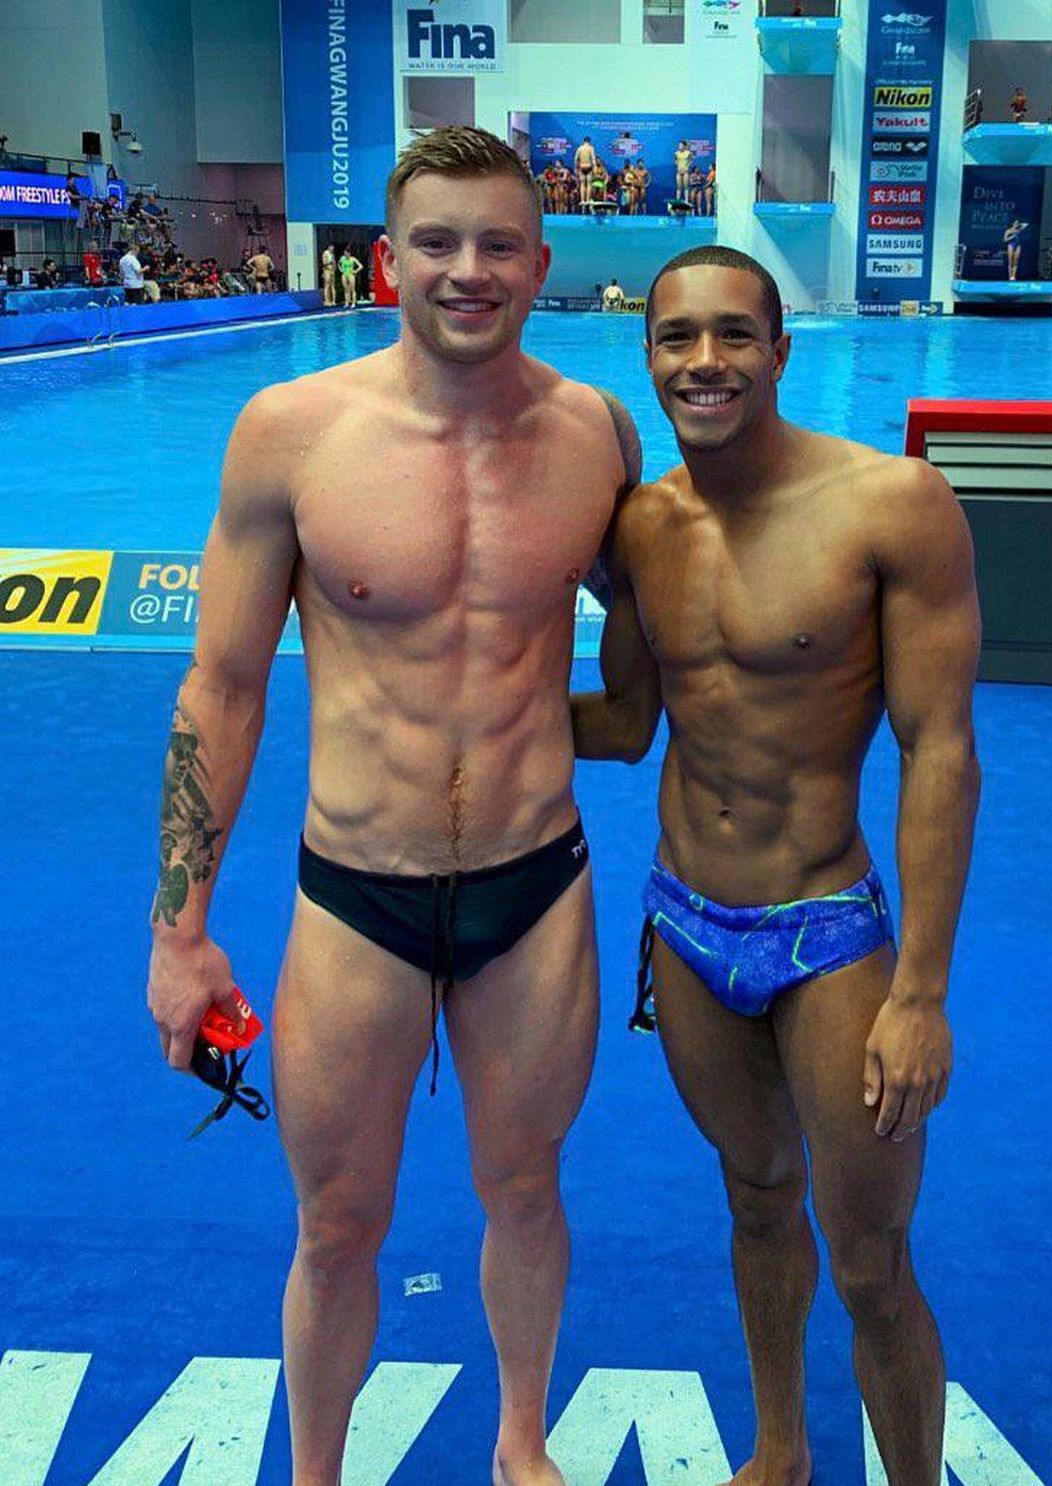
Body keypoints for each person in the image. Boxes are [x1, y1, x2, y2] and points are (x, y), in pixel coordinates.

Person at [145, 124, 640, 1486]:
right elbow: (223, 687)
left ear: (541, 263)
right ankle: (316, 1470)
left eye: (498, 245)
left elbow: (666, 621)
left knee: (526, 1187)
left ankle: (522, 1442)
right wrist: (180, 932)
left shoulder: (597, 435)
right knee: (336, 1225)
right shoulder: (293, 433)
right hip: (357, 893)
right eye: (437, 242)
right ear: (387, 260)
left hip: (535, 887)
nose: (468, 270)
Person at [571, 244, 980, 1486]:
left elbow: (940, 749)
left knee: (871, 1262)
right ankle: (781, 1452)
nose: (706, 361)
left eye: (735, 334)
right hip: (686, 922)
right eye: (678, 338)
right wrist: (448, 709)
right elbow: (625, 723)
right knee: (755, 1197)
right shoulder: (641, 528)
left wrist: (921, 992)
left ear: (780, 351)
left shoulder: (891, 506)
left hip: (828, 933)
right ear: (647, 357)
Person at [574, 136, 597, 208]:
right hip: (588, 167)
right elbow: (593, 158)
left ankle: (582, 200)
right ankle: (587, 200)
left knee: (582, 184)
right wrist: (595, 167)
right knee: (589, 184)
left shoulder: (579, 148)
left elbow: (575, 159)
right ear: (589, 141)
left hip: (582, 167)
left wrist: (575, 168)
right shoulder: (591, 148)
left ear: (583, 141)